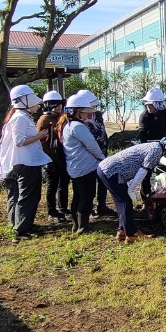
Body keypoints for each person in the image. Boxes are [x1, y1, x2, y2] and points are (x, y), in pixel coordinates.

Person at [96, 131, 166, 244]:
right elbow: (142, 172)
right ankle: (131, 234)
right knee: (125, 202)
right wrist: (131, 189)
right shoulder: (156, 151)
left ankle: (122, 231)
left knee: (121, 202)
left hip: (108, 169)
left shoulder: (156, 147)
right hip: (111, 171)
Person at [0, 85, 52, 241]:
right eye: (34, 103)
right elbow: (19, 141)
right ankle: (21, 230)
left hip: (24, 162)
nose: (37, 105)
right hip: (25, 163)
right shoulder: (20, 118)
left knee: (23, 196)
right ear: (24, 101)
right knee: (27, 196)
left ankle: (23, 224)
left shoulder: (21, 116)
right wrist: (39, 136)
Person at [61, 91, 105, 233]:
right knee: (86, 197)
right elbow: (92, 145)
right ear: (78, 112)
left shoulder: (68, 125)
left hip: (75, 167)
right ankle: (83, 227)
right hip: (85, 167)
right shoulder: (78, 127)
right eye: (85, 112)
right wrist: (103, 159)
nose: (88, 115)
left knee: (78, 196)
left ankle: (76, 225)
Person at [136, 86, 166, 202]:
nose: (148, 106)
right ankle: (146, 200)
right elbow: (142, 133)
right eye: (146, 104)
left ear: (157, 104)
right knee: (146, 172)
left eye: (150, 104)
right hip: (149, 145)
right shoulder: (144, 116)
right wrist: (145, 148)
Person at [36, 90, 70, 222]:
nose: (59, 107)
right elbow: (41, 142)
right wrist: (46, 160)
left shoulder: (59, 119)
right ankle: (51, 211)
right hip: (49, 157)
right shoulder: (44, 120)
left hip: (60, 155)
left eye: (60, 105)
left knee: (64, 182)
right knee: (52, 185)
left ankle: (63, 208)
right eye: (56, 105)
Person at [84, 100, 113, 217]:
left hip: (102, 154)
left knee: (103, 181)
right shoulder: (82, 120)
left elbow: (103, 133)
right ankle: (89, 207)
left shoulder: (98, 116)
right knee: (90, 184)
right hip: (90, 156)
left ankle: (102, 206)